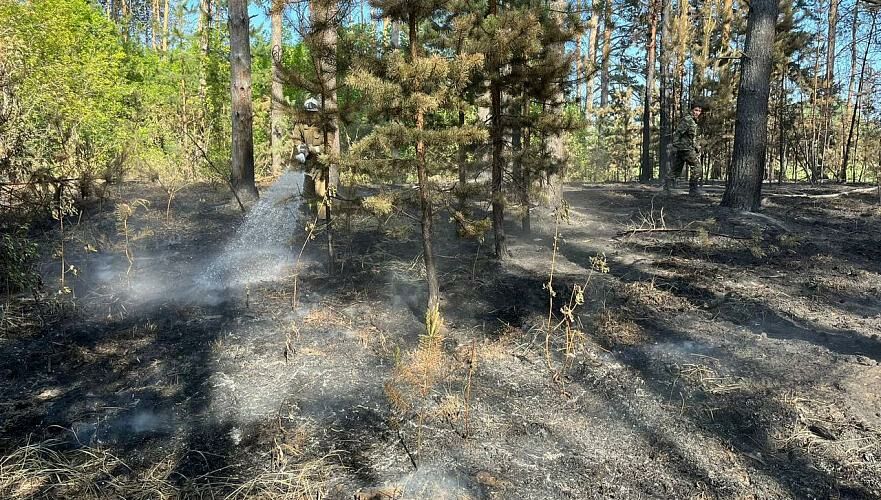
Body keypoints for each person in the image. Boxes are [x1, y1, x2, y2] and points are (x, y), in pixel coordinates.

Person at [292, 96, 328, 218]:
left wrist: (313, 149)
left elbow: (328, 145)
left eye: (312, 113)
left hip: (321, 164)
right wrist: (302, 151)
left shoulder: (324, 124)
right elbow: (296, 139)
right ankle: (310, 219)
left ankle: (323, 221)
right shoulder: (300, 124)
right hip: (308, 164)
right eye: (308, 112)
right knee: (308, 193)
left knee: (320, 193)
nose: (310, 115)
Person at [665, 103, 704, 196]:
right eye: (696, 110)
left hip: (685, 148)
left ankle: (666, 188)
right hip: (685, 149)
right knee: (697, 167)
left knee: (676, 170)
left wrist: (696, 147)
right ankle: (693, 189)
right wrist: (675, 145)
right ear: (691, 110)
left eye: (699, 111)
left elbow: (691, 138)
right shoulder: (687, 120)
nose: (697, 112)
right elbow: (677, 133)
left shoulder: (693, 121)